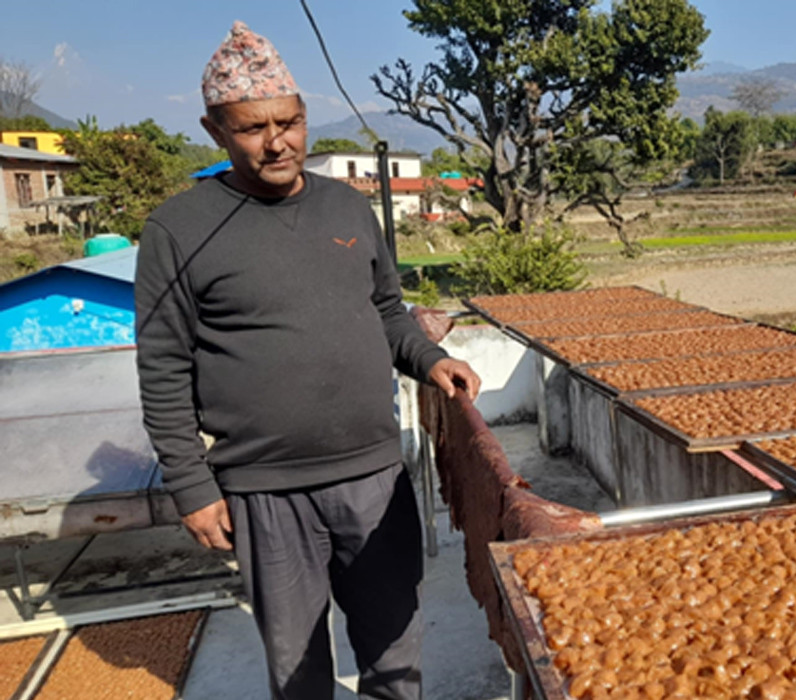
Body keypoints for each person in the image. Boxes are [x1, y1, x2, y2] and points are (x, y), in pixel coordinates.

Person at [134, 21, 479, 700]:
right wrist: (192, 487)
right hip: (264, 487)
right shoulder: (178, 228)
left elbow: (386, 310)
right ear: (215, 131)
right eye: (252, 128)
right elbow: (163, 363)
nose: (278, 142)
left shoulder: (346, 205)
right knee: (298, 667)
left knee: (395, 648)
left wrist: (430, 359)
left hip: (373, 475)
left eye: (289, 122)